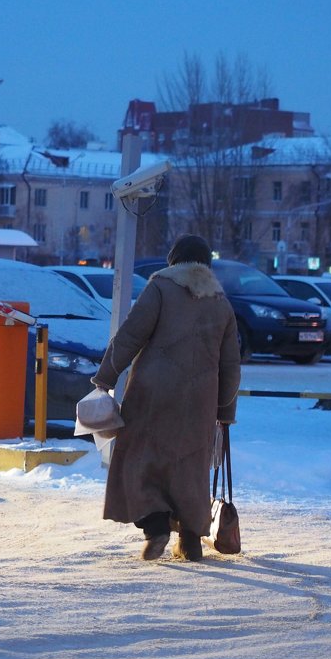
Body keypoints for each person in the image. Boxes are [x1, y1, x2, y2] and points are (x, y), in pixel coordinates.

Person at [91, 234, 242, 562]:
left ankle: (156, 526)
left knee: (139, 462)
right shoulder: (220, 302)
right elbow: (231, 364)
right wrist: (225, 412)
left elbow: (130, 335)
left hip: (152, 395)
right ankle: (190, 540)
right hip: (200, 402)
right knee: (190, 469)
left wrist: (105, 377)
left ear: (173, 260)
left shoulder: (160, 288)